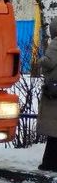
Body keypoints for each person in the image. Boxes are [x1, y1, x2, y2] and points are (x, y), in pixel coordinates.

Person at [39, 21, 57, 171]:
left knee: (53, 131)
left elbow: (49, 63)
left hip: (54, 92)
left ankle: (48, 164)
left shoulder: (56, 43)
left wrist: (40, 60)